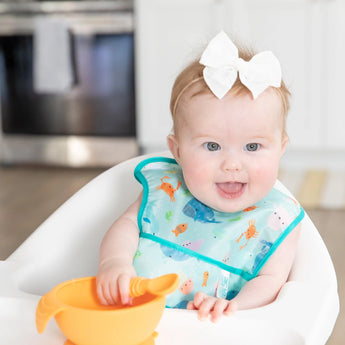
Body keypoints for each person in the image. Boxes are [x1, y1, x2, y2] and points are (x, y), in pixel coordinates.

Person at [96, 31, 304, 322]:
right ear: (177, 150)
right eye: (212, 146)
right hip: (133, 325)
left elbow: (271, 281)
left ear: (280, 149)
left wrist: (235, 306)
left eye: (253, 146)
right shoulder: (166, 189)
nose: (232, 164)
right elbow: (126, 227)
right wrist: (114, 262)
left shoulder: (277, 219)